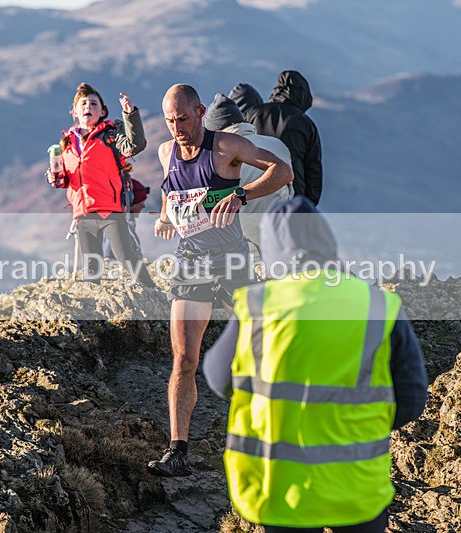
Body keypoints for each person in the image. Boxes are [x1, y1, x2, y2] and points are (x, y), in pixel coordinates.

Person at [203, 197, 428, 532]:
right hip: (357, 487)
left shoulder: (258, 304)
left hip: (278, 489)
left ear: (271, 251)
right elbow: (411, 399)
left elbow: (219, 379)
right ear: (326, 241)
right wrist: (358, 425)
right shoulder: (377, 304)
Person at [147, 83, 293, 477]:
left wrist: (241, 195)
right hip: (190, 262)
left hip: (232, 259)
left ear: (199, 112)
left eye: (183, 118)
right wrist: (164, 216)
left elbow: (283, 171)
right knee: (184, 358)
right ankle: (178, 452)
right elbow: (170, 190)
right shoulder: (165, 152)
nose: (177, 127)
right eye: (170, 121)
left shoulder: (226, 146)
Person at [48, 82, 155, 287]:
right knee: (91, 268)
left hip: (110, 210)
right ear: (74, 112)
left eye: (93, 104)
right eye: (83, 103)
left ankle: (153, 290)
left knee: (126, 256)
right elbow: (67, 180)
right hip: (83, 213)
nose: (88, 106)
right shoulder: (66, 145)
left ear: (102, 112)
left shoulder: (110, 137)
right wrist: (55, 179)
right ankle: (93, 304)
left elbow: (136, 145)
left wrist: (130, 114)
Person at [205, 92, 293, 258]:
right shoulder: (278, 145)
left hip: (242, 249)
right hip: (282, 239)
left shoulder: (216, 155)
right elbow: (290, 191)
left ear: (216, 131)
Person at [244, 71, 323, 206]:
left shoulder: (253, 114)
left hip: (254, 195)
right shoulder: (304, 123)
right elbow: (313, 170)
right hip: (293, 198)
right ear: (303, 96)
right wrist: (309, 204)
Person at [104, 178, 150, 259]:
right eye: (141, 202)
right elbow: (108, 253)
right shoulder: (120, 223)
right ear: (133, 203)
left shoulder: (124, 220)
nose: (143, 206)